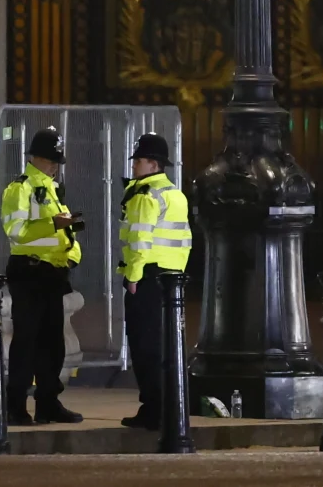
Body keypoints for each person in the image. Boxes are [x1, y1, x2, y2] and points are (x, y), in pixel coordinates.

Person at [0, 126, 84, 426]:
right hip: (29, 271)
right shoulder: (20, 188)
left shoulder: (51, 189)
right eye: (51, 160)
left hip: (52, 273)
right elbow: (16, 232)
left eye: (57, 161)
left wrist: (72, 256)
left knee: (52, 343)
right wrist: (53, 224)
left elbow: (66, 233)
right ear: (35, 157)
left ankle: (48, 403)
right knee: (27, 341)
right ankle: (15, 406)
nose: (55, 166)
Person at [118, 133, 192, 431]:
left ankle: (153, 409)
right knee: (166, 346)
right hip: (171, 278)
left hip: (147, 277)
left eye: (139, 160)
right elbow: (184, 240)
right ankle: (170, 406)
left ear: (154, 164)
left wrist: (133, 277)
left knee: (144, 346)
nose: (134, 164)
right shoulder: (175, 194)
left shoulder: (144, 195)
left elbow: (139, 240)